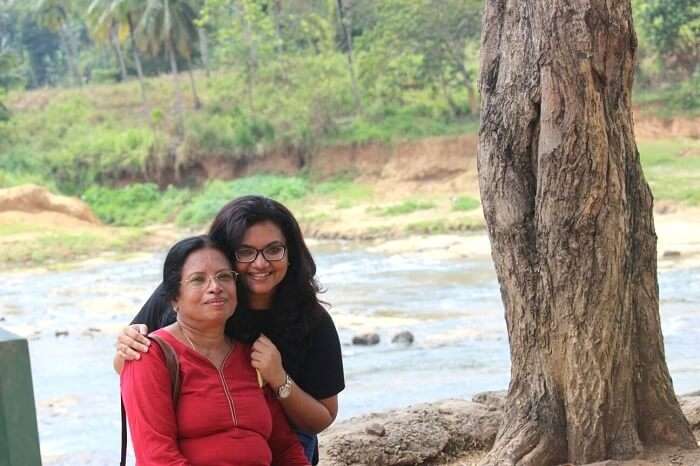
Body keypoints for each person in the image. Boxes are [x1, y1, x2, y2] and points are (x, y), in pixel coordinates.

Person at [114, 196, 345, 464]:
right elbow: (131, 364)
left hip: (284, 426)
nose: (260, 264)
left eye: (273, 250)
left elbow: (314, 425)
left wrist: (278, 378)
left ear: (290, 253)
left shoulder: (308, 320)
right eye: (245, 252)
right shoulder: (184, 299)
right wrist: (127, 344)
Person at [121, 235, 310, 466]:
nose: (215, 288)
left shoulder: (253, 356)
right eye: (198, 280)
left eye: (223, 277)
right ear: (173, 299)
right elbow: (157, 458)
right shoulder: (150, 355)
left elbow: (286, 449)